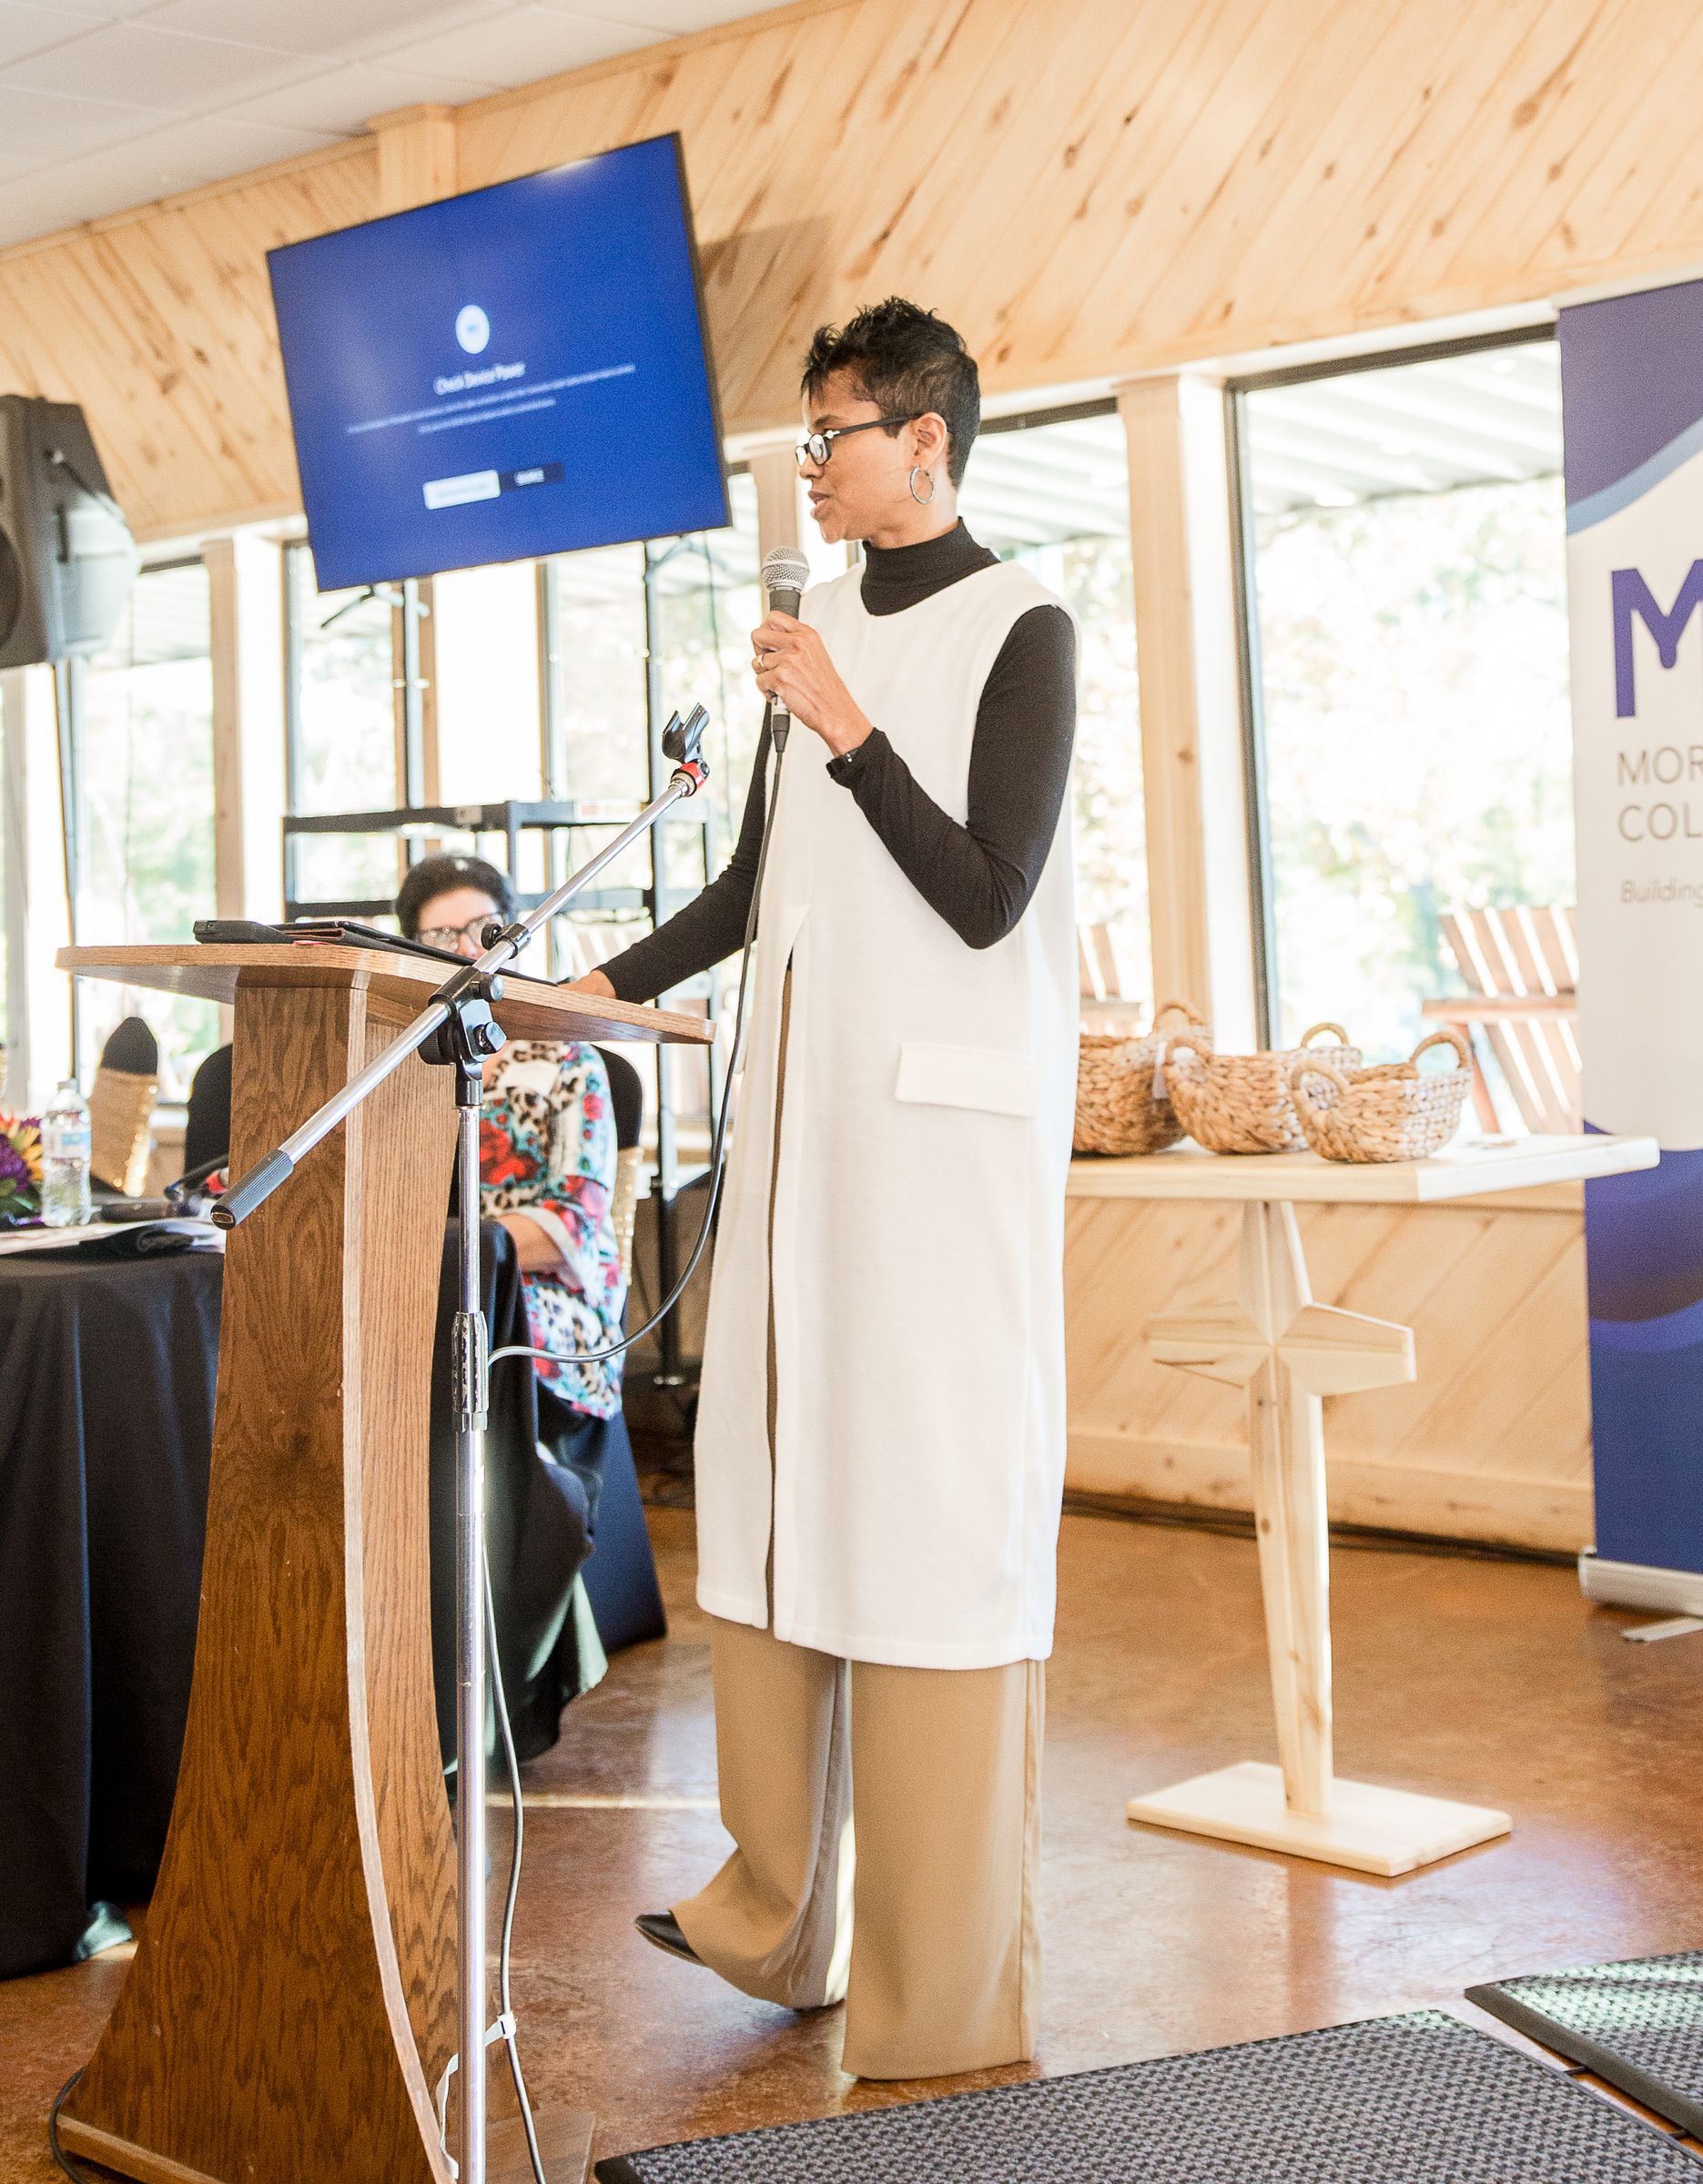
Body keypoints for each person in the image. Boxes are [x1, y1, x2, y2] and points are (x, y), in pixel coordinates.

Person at [573, 298, 1079, 2080]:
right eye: (805, 439)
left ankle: (943, 2007)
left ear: (925, 439)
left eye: (833, 436)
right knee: (781, 1504)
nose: (811, 468)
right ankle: (778, 1909)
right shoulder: (818, 633)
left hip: (936, 1173)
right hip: (796, 1165)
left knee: (926, 1535)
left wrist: (850, 724)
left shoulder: (1023, 627)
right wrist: (598, 989)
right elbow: (752, 887)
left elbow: (988, 894)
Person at [396, 852, 626, 1481]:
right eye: (443, 936)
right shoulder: (397, 1061)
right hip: (426, 1288)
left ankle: (476, 1525)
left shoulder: (566, 1056)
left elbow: (571, 1225)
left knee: (457, 1324)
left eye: (485, 928)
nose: (469, 948)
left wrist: (447, 1260)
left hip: (543, 1300)